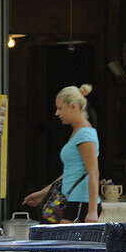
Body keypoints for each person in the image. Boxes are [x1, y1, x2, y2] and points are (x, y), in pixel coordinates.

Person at [23, 84, 101, 223]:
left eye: (60, 108)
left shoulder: (85, 135)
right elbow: (71, 173)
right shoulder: (78, 133)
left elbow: (93, 172)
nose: (57, 113)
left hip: (80, 202)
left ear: (73, 106)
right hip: (72, 201)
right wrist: (43, 193)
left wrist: (92, 211)